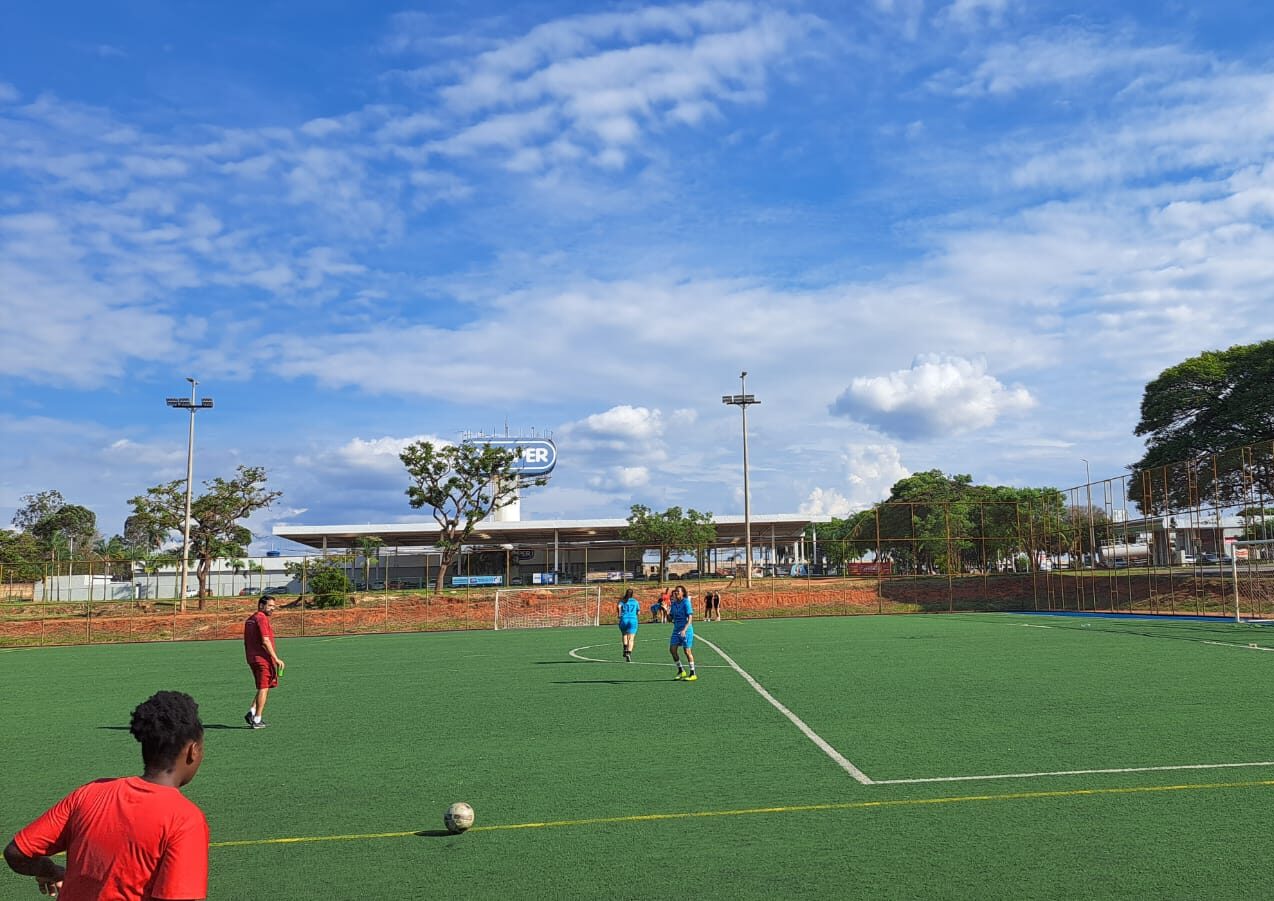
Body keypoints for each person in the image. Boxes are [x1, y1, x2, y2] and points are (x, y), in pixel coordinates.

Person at [4, 691, 210, 900]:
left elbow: (16, 852)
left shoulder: (89, 793)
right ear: (193, 751)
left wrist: (48, 871)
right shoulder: (185, 819)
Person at [244, 593, 285, 729]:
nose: (273, 608)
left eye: (274, 606)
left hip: (252, 658)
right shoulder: (261, 618)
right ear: (261, 605)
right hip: (262, 659)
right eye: (270, 606)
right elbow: (265, 640)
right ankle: (257, 719)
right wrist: (276, 658)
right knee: (263, 688)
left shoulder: (251, 619)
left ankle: (252, 711)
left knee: (264, 686)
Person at [668, 584, 697, 681]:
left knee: (687, 651)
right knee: (672, 650)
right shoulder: (674, 604)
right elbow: (670, 619)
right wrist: (666, 610)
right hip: (676, 630)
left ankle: (693, 673)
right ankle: (681, 670)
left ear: (683, 593)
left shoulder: (686, 603)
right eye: (675, 591)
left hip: (686, 630)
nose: (675, 593)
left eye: (678, 591)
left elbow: (690, 619)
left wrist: (684, 630)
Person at [616, 587, 640, 661]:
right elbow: (638, 612)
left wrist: (619, 614)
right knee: (631, 638)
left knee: (624, 635)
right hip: (633, 620)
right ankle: (628, 653)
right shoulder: (635, 601)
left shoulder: (622, 600)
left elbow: (618, 606)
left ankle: (625, 648)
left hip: (624, 619)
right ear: (632, 594)